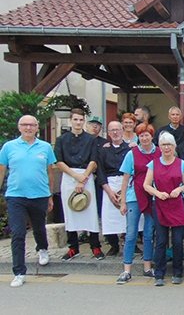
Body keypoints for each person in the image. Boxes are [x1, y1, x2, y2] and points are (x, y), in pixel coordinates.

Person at [0, 115, 56, 287]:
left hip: (39, 194)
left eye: (32, 125)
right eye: (25, 125)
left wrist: (50, 194)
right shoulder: (9, 147)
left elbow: (50, 172)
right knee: (18, 233)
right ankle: (19, 272)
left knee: (39, 227)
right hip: (16, 195)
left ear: (37, 127)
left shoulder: (45, 147)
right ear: (19, 127)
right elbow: (2, 171)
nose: (28, 128)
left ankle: (43, 248)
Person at [54, 108, 104, 261]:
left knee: (90, 212)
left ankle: (95, 246)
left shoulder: (91, 139)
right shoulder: (62, 140)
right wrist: (76, 176)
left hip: (86, 175)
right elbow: (59, 161)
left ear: (84, 121)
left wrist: (83, 177)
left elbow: (94, 161)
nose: (78, 122)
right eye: (75, 119)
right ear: (71, 120)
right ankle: (73, 247)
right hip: (69, 176)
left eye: (81, 120)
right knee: (70, 213)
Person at [143, 132, 184, 286]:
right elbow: (146, 185)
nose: (166, 147)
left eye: (169, 144)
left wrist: (179, 190)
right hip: (160, 205)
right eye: (163, 145)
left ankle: (178, 272)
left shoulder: (181, 163)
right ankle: (159, 274)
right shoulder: (153, 164)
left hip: (177, 205)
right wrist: (157, 193)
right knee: (161, 241)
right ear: (160, 147)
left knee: (177, 241)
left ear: (174, 146)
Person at [115, 123, 159, 284]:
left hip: (152, 196)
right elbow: (125, 179)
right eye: (141, 135)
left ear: (152, 136)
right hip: (135, 195)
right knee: (131, 233)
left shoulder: (159, 153)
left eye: (147, 135)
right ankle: (127, 270)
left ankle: (147, 267)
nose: (144, 138)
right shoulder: (132, 154)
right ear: (138, 137)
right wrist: (123, 202)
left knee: (148, 233)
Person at [96, 121, 130, 256]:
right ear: (108, 133)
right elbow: (100, 171)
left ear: (122, 131)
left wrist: (124, 191)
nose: (115, 133)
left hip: (126, 184)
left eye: (117, 130)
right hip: (109, 185)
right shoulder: (103, 150)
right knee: (109, 217)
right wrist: (109, 191)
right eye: (112, 130)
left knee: (128, 216)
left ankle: (130, 244)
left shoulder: (129, 149)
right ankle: (114, 245)